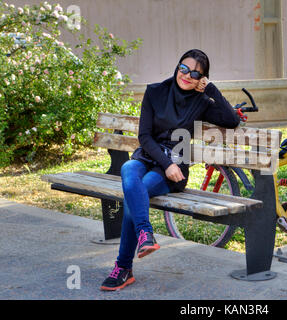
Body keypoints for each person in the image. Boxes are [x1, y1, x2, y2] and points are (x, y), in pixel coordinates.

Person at [100, 49, 240, 291]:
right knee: (129, 168)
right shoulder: (155, 91)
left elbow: (231, 120)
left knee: (137, 192)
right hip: (152, 158)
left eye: (196, 73)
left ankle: (123, 268)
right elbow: (144, 136)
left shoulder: (201, 101)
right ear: (177, 67)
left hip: (173, 171)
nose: (187, 75)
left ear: (202, 78)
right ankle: (145, 234)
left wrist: (211, 88)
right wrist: (167, 163)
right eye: (184, 68)